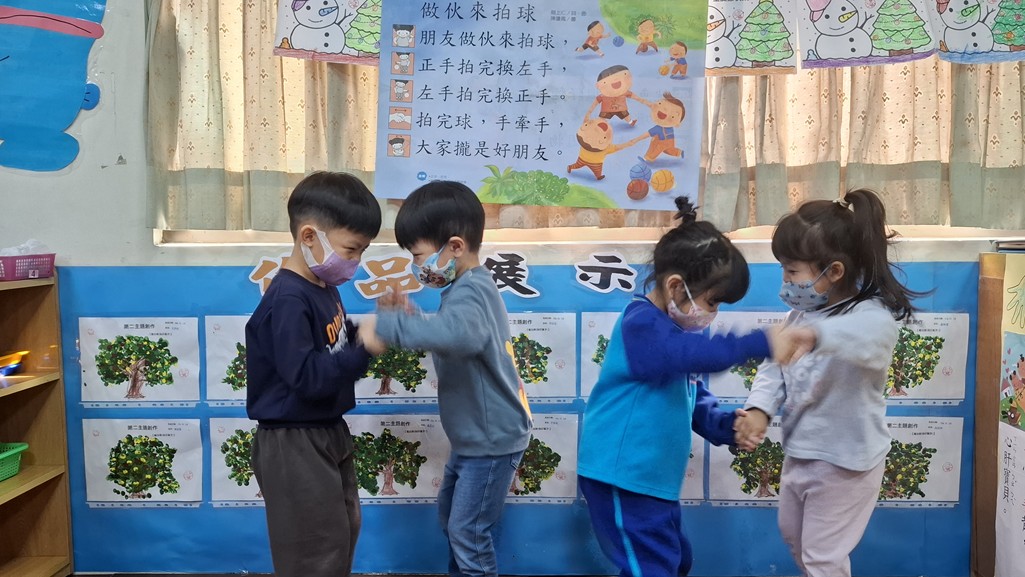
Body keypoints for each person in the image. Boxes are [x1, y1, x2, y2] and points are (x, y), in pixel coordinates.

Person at [577, 197, 788, 576]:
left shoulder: (669, 336)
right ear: (676, 286)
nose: (713, 313)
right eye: (712, 302)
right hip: (621, 477)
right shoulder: (642, 326)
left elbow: (687, 397)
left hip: (649, 481)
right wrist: (761, 342)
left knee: (674, 562)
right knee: (652, 567)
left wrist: (726, 426)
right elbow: (695, 356)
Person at [736, 188, 925, 577]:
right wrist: (759, 409)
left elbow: (869, 339)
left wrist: (815, 336)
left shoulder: (870, 315)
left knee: (822, 556)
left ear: (834, 272)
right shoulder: (798, 316)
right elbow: (774, 368)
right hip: (802, 452)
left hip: (846, 462)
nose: (785, 280)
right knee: (794, 538)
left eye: (792, 271)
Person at [359, 181, 532, 577]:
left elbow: (459, 336)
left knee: (467, 532)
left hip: (492, 440)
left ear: (455, 246)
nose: (416, 265)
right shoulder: (465, 288)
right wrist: (413, 318)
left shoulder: (472, 290)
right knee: (454, 522)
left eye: (418, 255)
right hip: (476, 438)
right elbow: (455, 332)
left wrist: (389, 328)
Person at [245, 171, 381, 577]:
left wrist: (367, 331)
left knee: (341, 535)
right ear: (309, 236)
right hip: (293, 441)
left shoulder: (322, 286)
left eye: (362, 252)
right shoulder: (288, 299)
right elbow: (307, 376)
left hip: (325, 430)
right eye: (351, 249)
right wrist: (364, 349)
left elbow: (330, 344)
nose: (355, 262)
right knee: (314, 553)